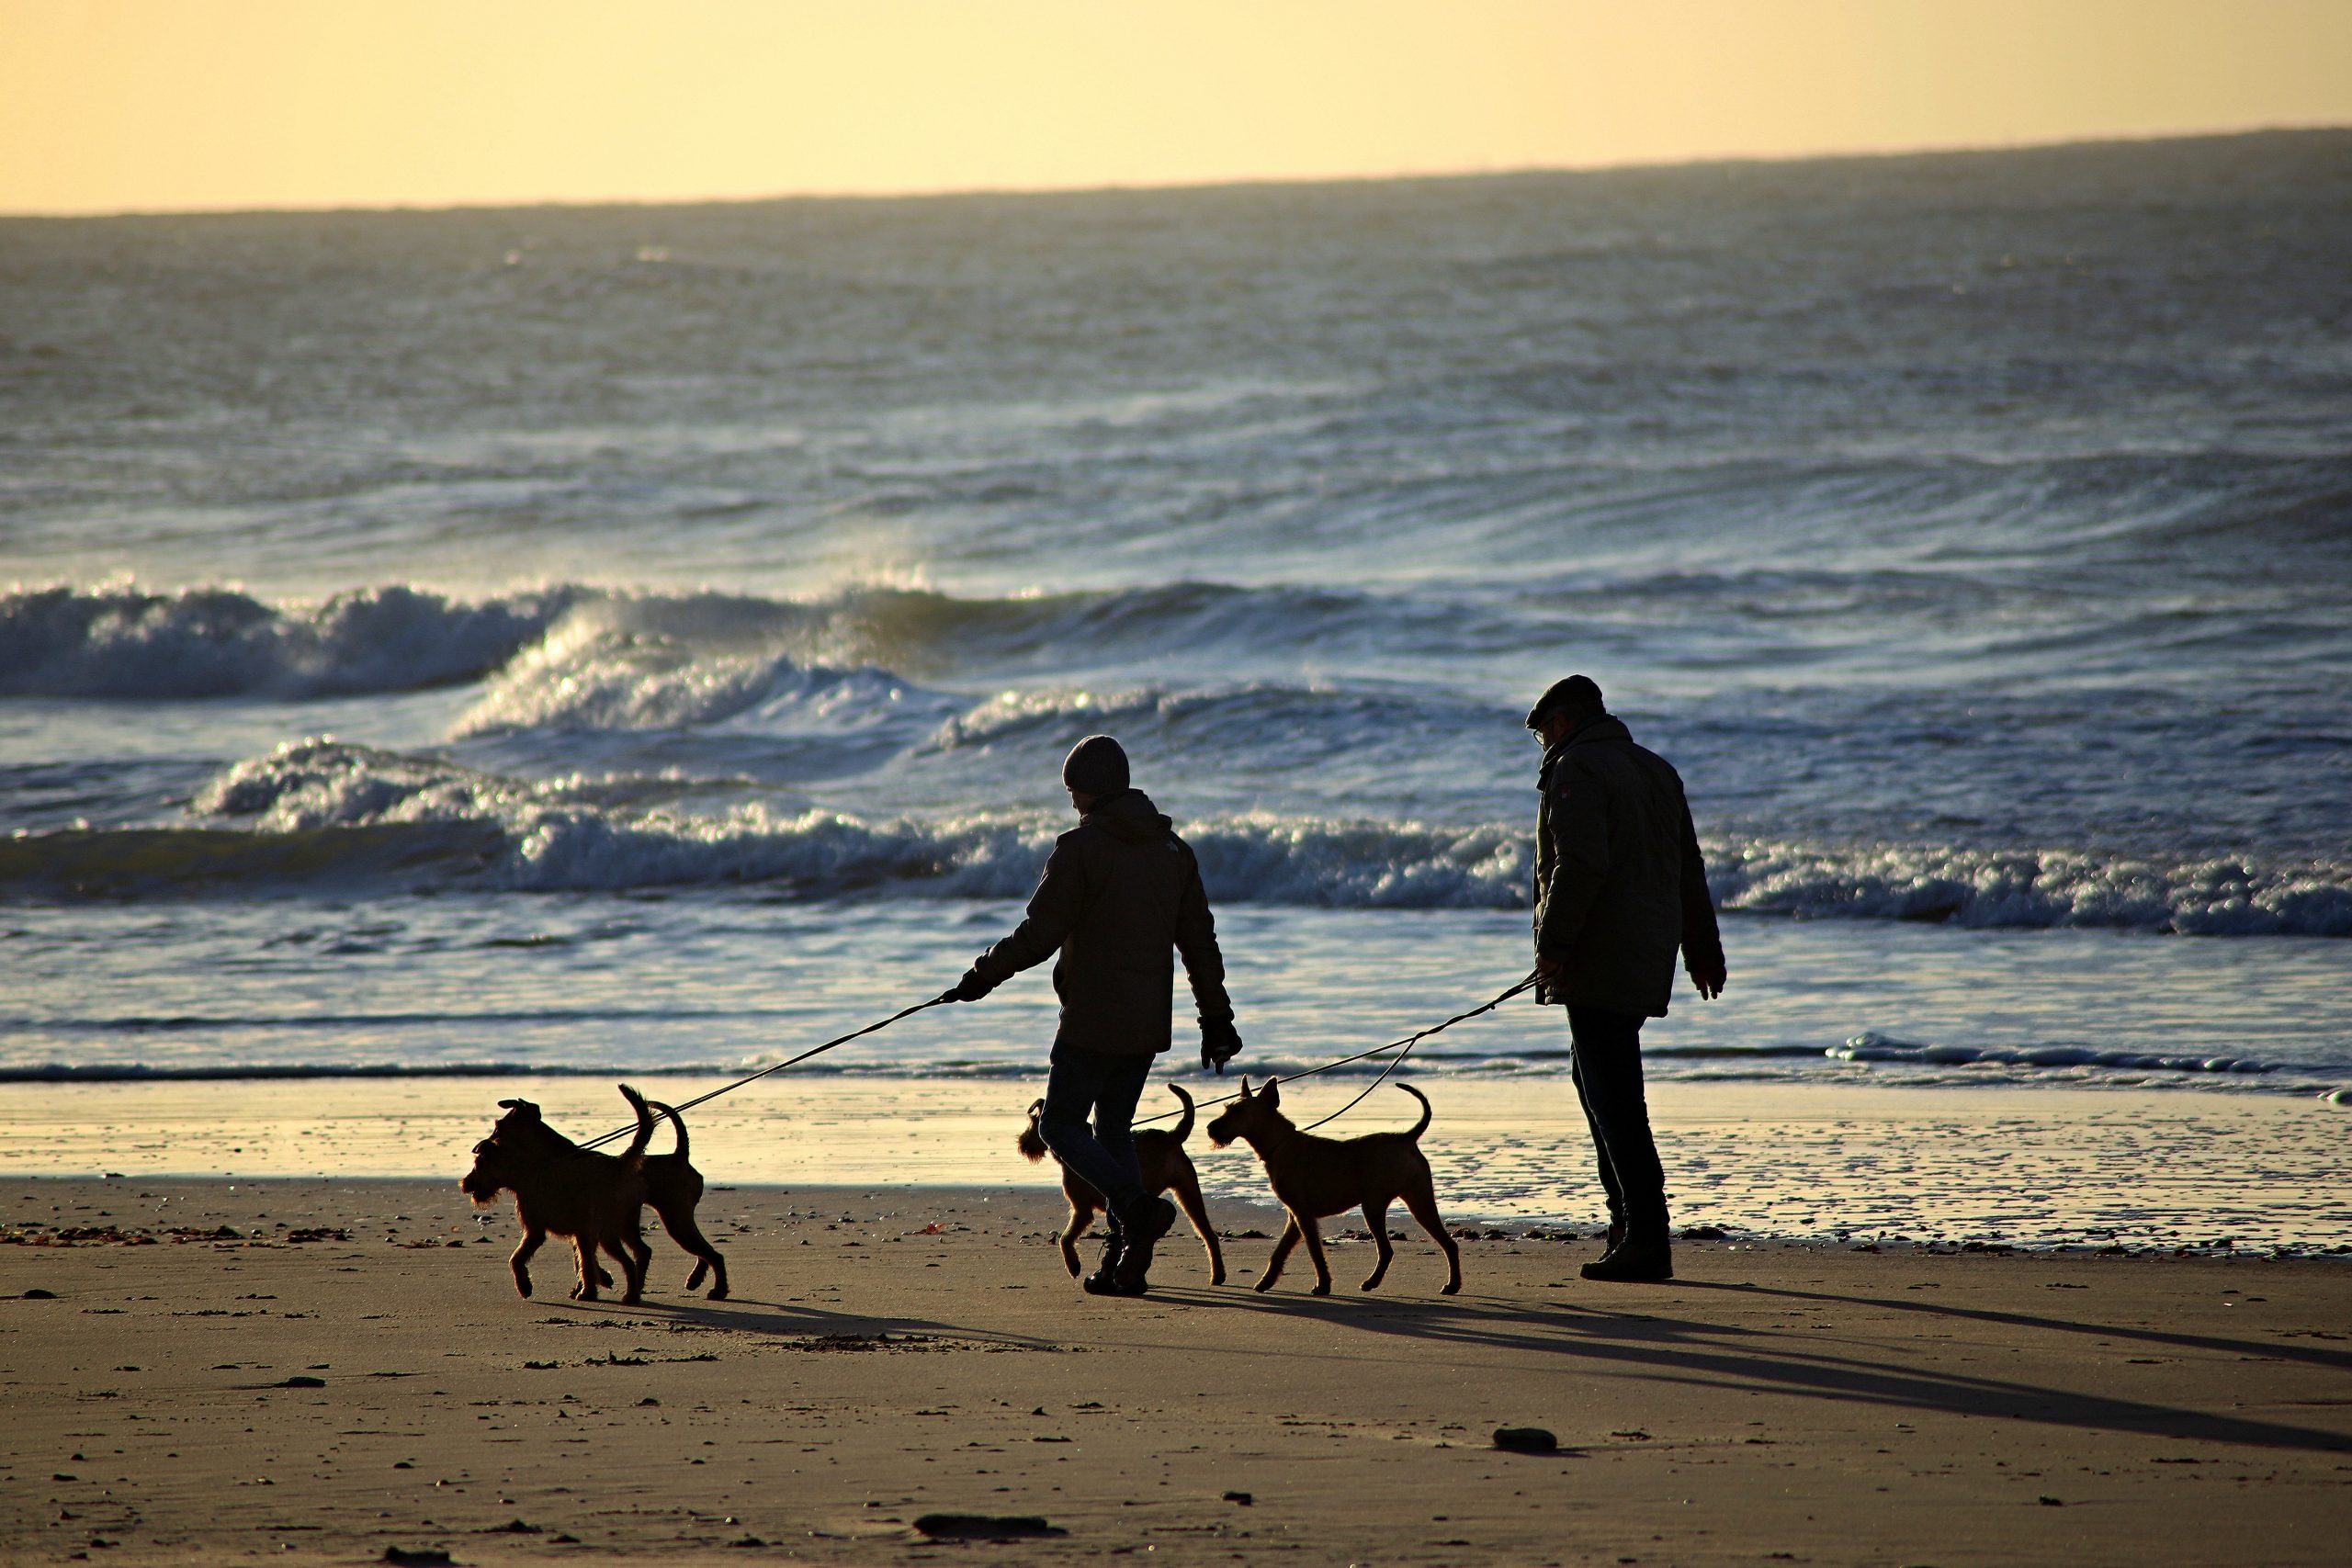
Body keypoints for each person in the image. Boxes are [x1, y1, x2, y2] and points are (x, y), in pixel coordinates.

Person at [942, 734, 1243, 1295]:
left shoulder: (1080, 850)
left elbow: (1039, 933)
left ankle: (1132, 1207)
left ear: (1094, 789)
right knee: (1112, 1132)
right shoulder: (1173, 851)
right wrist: (1217, 1021)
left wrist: (981, 976)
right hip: (1147, 1023)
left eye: (1074, 790)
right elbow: (1200, 943)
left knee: (1059, 1125)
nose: (1073, 801)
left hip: (1091, 1020)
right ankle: (1124, 1268)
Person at [1526, 675, 1725, 1282]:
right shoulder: (1654, 768)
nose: (1541, 748)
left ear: (1560, 723)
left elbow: (1580, 864)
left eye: (1541, 735)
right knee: (1594, 1077)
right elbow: (1688, 864)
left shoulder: (1576, 769)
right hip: (1646, 948)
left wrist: (1554, 947)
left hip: (1598, 951)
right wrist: (1702, 947)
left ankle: (1643, 1234)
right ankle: (1627, 1226)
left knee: (1613, 1094)